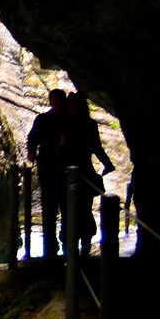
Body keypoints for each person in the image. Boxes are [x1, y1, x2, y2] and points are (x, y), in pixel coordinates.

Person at [64, 92, 115, 256]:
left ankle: (84, 248)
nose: (74, 109)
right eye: (71, 106)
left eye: (77, 106)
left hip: (84, 171)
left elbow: (96, 147)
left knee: (84, 210)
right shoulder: (63, 123)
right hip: (66, 173)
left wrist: (107, 164)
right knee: (68, 211)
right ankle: (70, 249)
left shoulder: (89, 124)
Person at [27, 90, 69, 259]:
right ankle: (50, 249)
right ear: (50, 101)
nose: (58, 102)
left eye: (60, 100)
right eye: (55, 100)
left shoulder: (70, 120)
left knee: (67, 209)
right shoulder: (42, 119)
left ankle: (67, 244)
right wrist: (31, 152)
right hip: (48, 170)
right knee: (49, 210)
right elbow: (32, 138)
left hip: (66, 170)